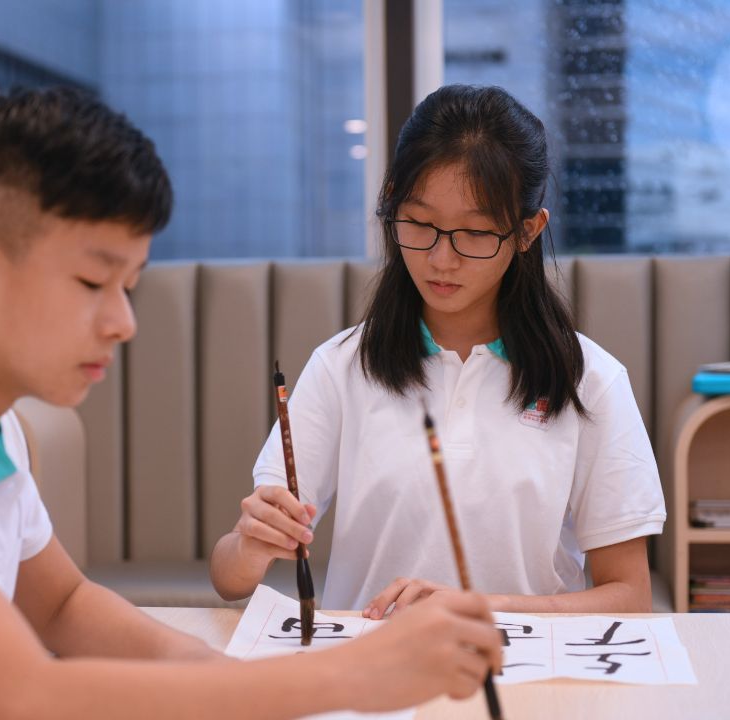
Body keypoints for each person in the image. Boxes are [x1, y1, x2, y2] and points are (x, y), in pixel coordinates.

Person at [0, 87, 502, 720]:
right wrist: (349, 677)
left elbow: (63, 604)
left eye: (129, 286)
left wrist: (219, 676)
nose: (123, 322)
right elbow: (12, 697)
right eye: (92, 283)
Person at [210, 84, 666, 618]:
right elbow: (227, 579)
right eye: (421, 224)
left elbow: (630, 597)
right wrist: (250, 546)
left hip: (519, 664)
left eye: (474, 232)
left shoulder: (589, 380)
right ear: (391, 204)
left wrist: (478, 607)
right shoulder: (342, 366)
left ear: (527, 231)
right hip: (369, 662)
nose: (442, 259)